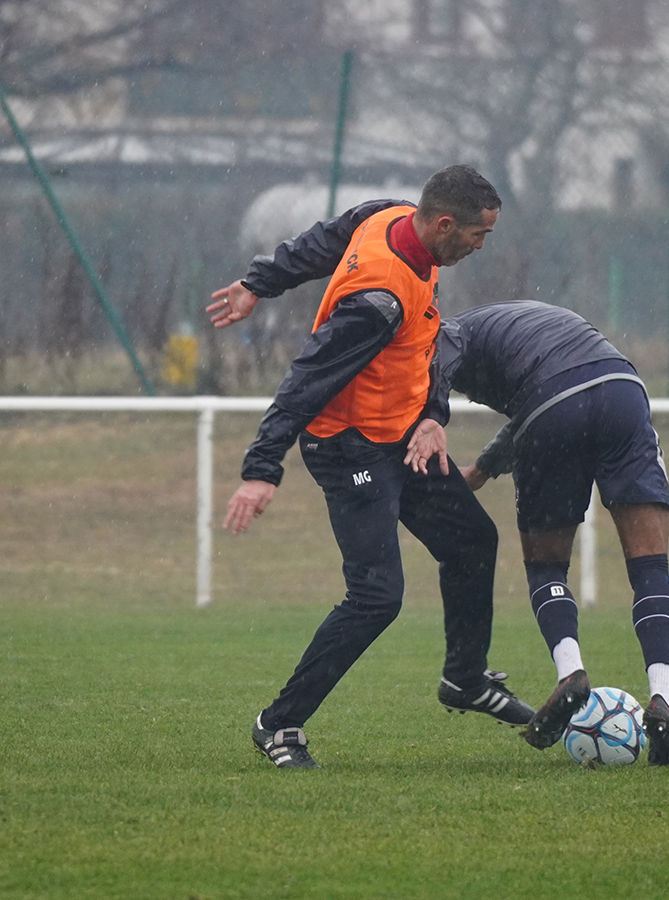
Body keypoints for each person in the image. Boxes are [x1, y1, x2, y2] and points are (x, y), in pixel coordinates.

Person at [206, 165, 534, 769]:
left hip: (404, 437)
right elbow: (305, 381)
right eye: (478, 235)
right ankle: (279, 725)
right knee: (376, 596)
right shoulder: (376, 302)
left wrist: (259, 283)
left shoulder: (390, 216)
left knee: (472, 541)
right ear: (444, 224)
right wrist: (261, 469)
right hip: (348, 449)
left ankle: (464, 679)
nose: (481, 246)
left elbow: (320, 243)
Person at [411, 299, 669, 766]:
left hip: (552, 407)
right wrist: (483, 469)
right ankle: (664, 699)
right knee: (650, 567)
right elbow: (542, 396)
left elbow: (541, 399)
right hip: (621, 389)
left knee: (546, 567)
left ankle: (570, 673)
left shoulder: (442, 334)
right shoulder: (519, 323)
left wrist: (432, 412)